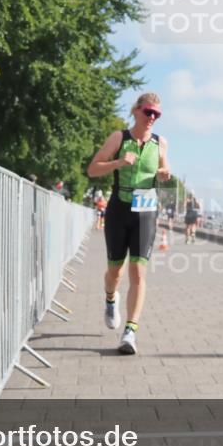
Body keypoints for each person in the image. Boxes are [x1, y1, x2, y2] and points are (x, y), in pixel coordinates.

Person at [87, 92, 169, 355]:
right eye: (148, 112)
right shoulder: (118, 138)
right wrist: (119, 162)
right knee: (116, 272)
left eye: (157, 114)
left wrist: (165, 174)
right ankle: (111, 298)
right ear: (136, 111)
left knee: (138, 272)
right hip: (119, 208)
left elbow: (164, 170)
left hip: (146, 209)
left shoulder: (160, 143)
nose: (152, 118)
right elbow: (93, 169)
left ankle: (130, 331)